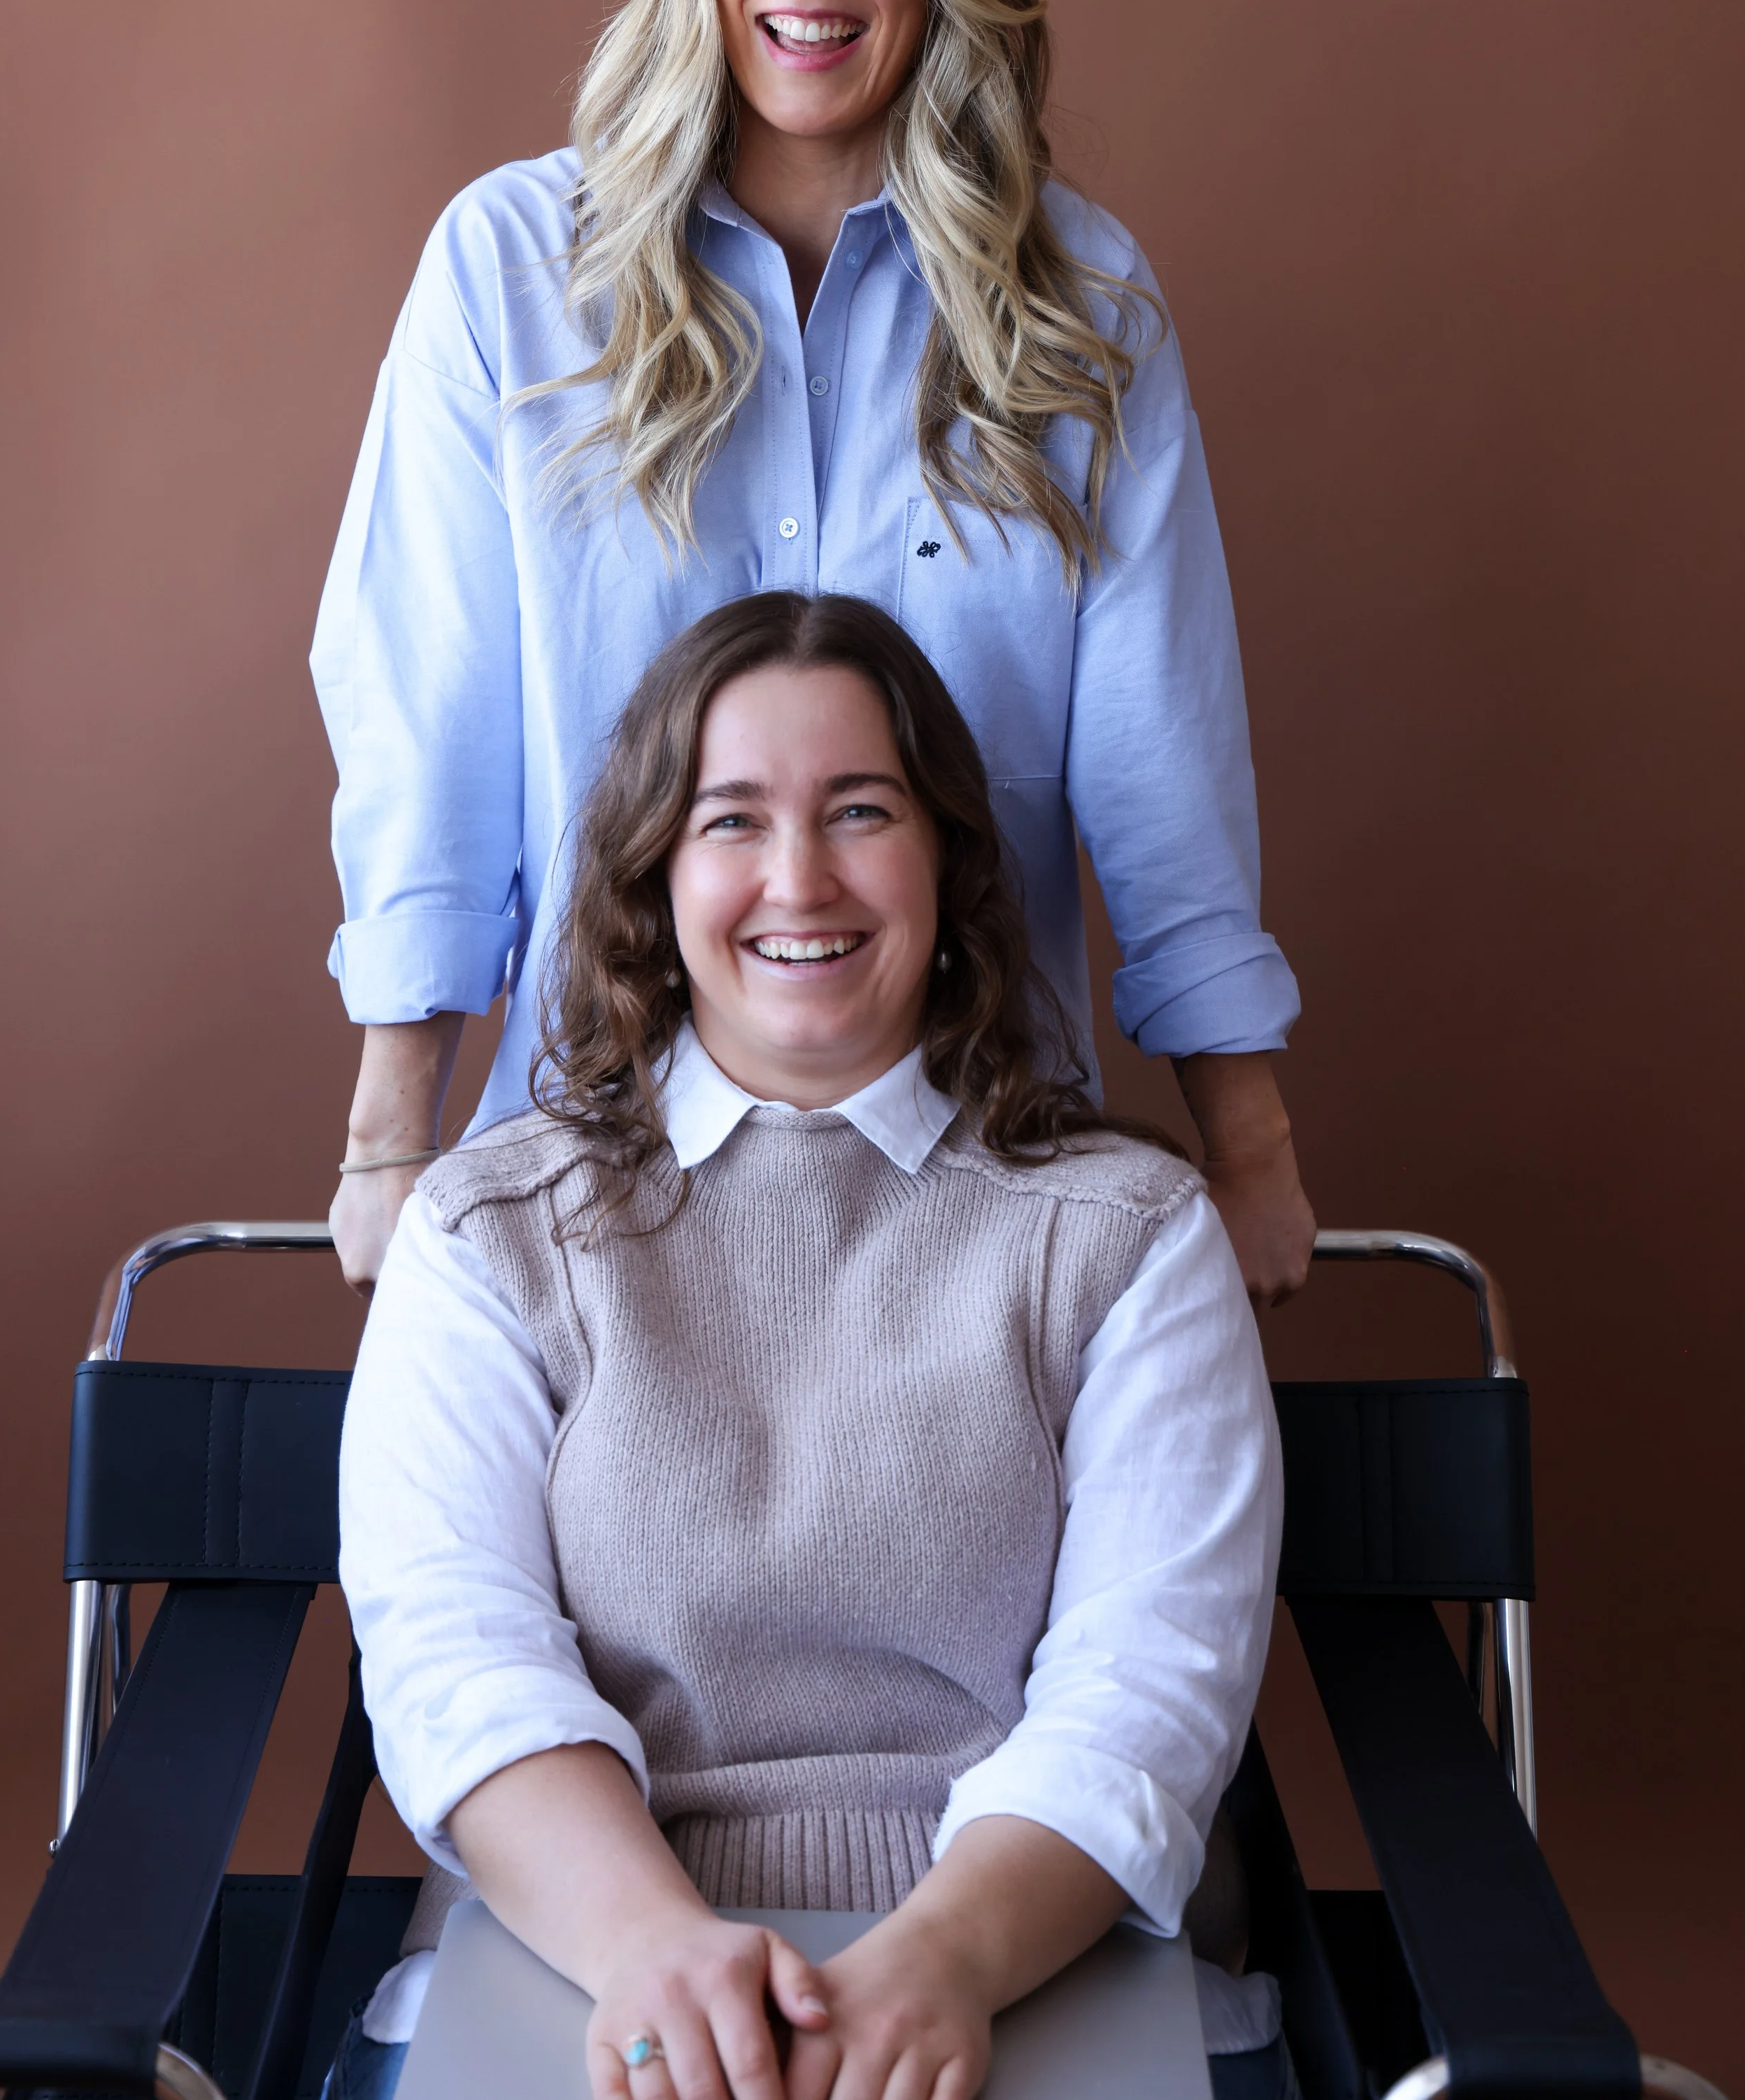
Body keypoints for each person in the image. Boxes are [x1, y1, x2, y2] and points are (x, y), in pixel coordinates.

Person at [313, 0, 1313, 1305]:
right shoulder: (511, 278)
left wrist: (1248, 1149)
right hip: (596, 1184)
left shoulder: (1082, 301)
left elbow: (1159, 751)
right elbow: (430, 716)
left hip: (984, 1192)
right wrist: (388, 1136)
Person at [329, 592, 1284, 2100]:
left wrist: (946, 1956)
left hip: (1027, 1949)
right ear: (653, 868)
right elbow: (461, 1659)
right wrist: (651, 1940)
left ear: (948, 856)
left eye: (858, 809)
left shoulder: (1131, 1235)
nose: (797, 877)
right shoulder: (484, 1233)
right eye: (730, 819)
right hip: (584, 1949)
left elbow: (1147, 1680)